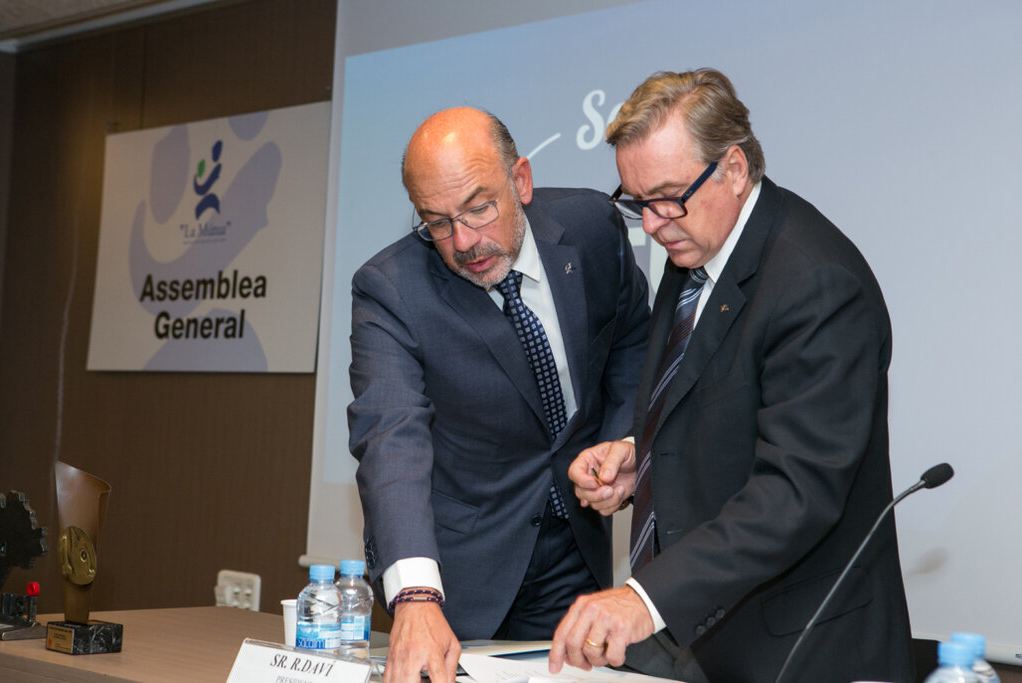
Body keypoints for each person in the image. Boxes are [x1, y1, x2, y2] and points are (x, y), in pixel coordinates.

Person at [548, 69, 914, 683]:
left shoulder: (818, 284)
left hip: (798, 649)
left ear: (735, 169)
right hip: (702, 638)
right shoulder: (696, 246)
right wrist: (644, 457)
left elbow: (795, 491)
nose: (652, 224)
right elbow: (716, 402)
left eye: (667, 196)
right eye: (637, 202)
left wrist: (643, 599)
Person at [348, 107, 650, 683]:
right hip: (460, 573)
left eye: (479, 208)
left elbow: (633, 339)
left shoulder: (593, 228)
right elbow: (390, 436)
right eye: (437, 222)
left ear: (521, 181)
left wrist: (624, 442)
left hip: (575, 547)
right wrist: (415, 595)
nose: (464, 241)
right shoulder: (390, 288)